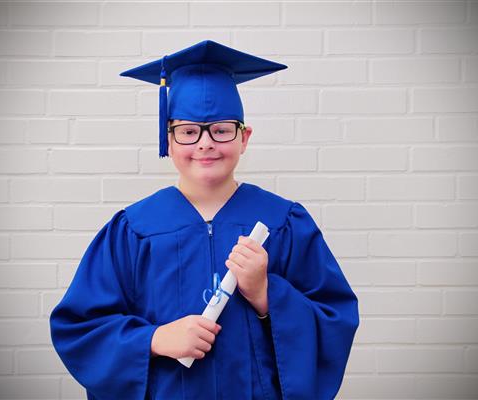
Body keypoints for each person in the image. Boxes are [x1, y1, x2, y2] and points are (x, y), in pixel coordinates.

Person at [49, 40, 359, 400]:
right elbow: (80, 327)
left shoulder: (284, 222)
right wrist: (152, 339)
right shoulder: (133, 230)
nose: (205, 143)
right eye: (189, 131)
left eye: (222, 130)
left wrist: (266, 294)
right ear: (169, 139)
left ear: (245, 138)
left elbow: (335, 320)